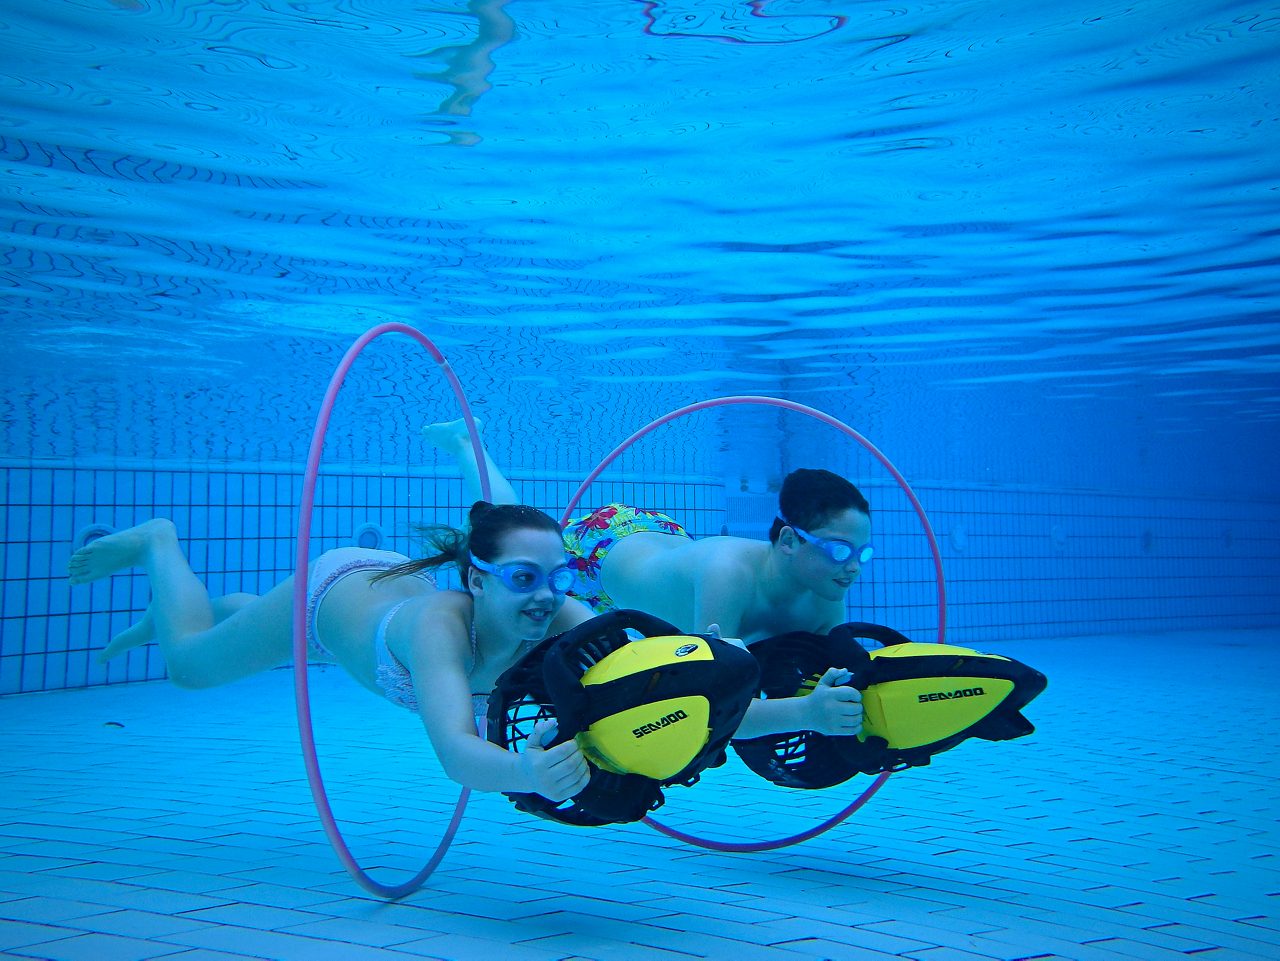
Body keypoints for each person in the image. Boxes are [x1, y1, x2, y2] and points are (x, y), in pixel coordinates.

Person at [67, 503, 597, 801]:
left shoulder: (565, 616)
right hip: (330, 597)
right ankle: (157, 543)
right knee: (186, 667)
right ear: (476, 581)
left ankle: (234, 611)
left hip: (370, 617)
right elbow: (457, 754)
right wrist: (527, 775)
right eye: (524, 577)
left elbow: (650, 663)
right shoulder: (442, 628)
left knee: (299, 647)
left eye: (560, 576)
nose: (547, 595)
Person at [423, 420, 869, 742]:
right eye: (838, 550)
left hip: (665, 544)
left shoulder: (826, 595)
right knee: (510, 533)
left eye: (861, 553)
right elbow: (709, 700)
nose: (852, 568)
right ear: (789, 540)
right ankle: (467, 443)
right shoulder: (727, 575)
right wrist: (806, 713)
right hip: (602, 551)